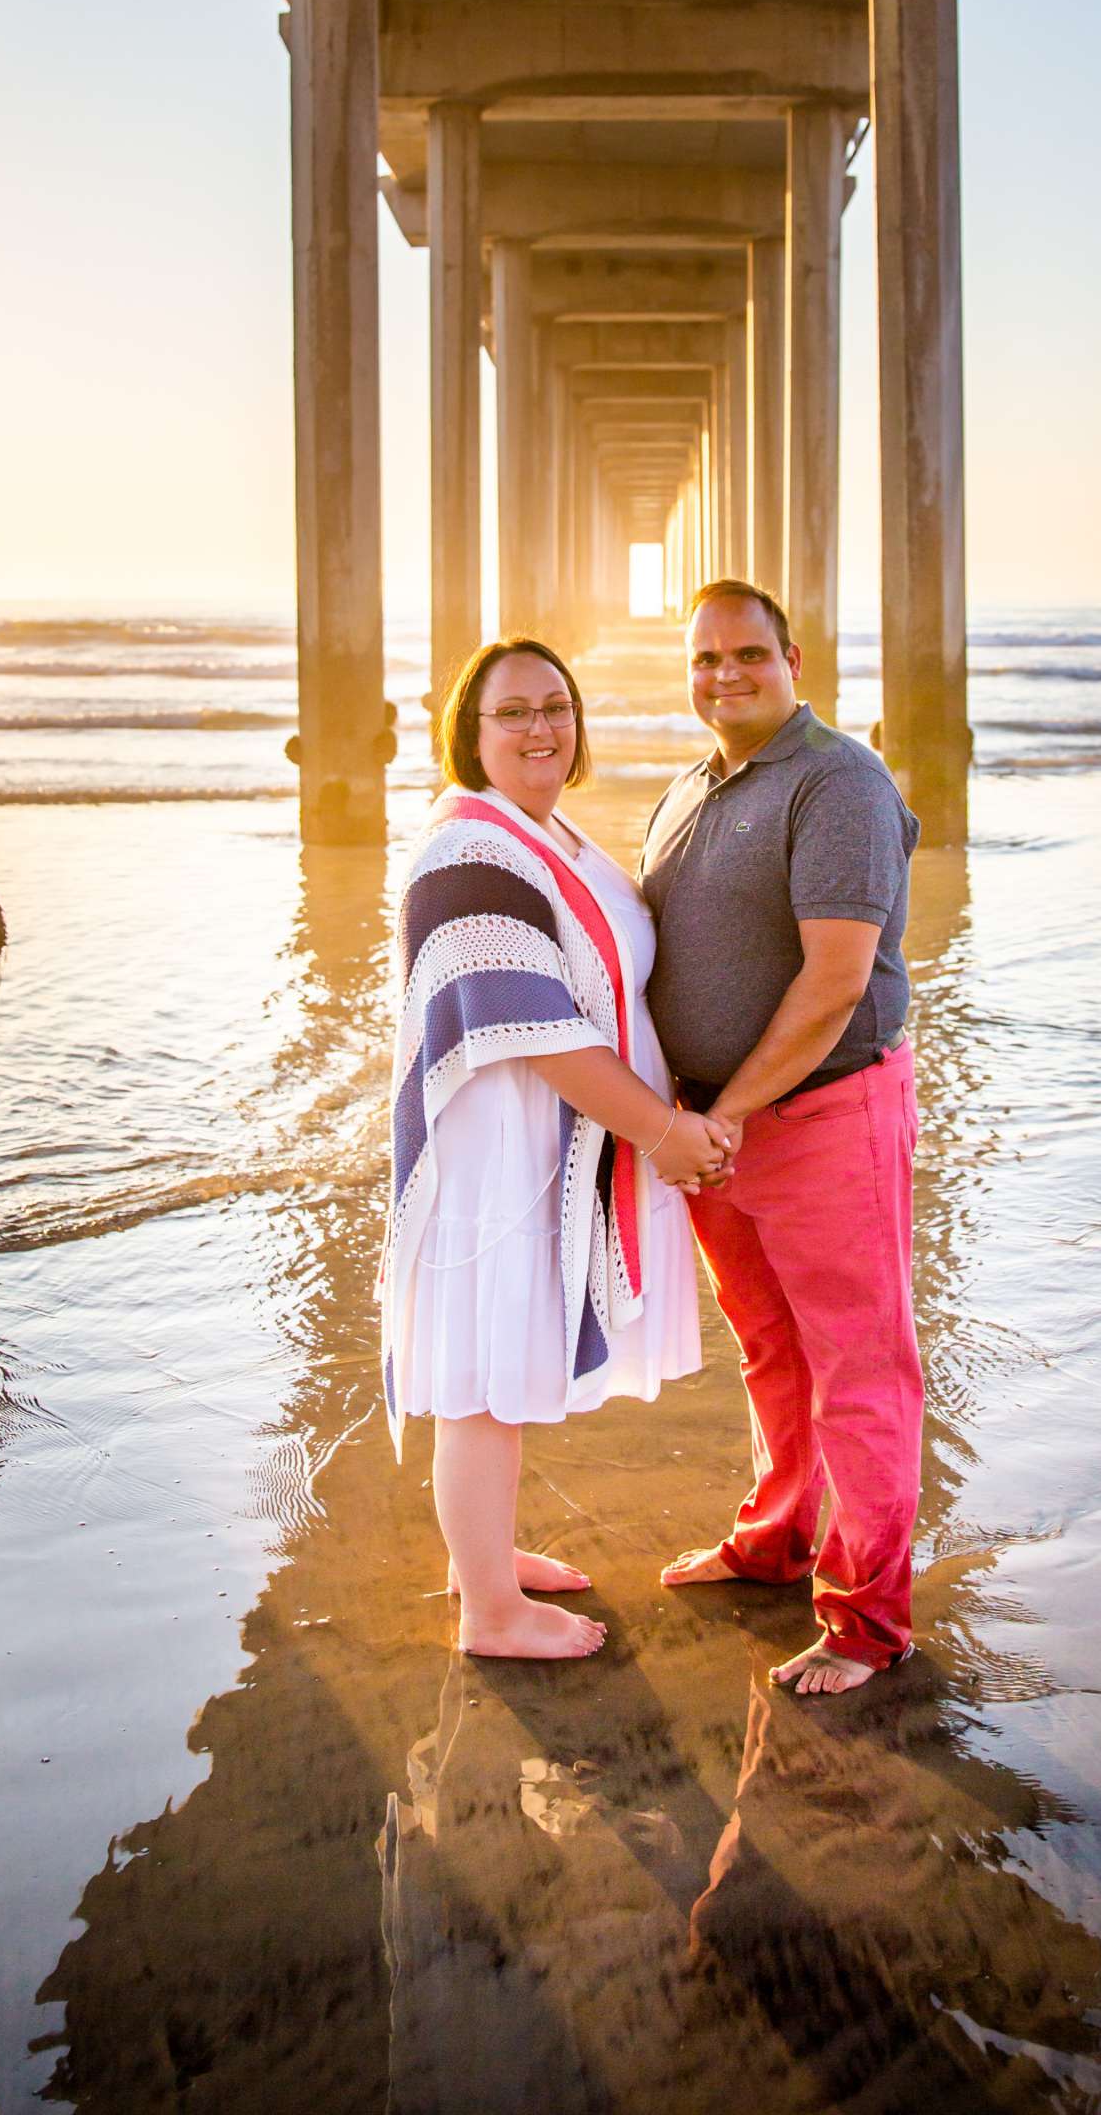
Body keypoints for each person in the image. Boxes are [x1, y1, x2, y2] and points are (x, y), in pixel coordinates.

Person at [380, 636, 732, 1662]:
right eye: (513, 714)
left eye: (554, 707)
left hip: (540, 1148)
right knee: (486, 1374)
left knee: (508, 1355)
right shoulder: (467, 854)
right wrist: (663, 1132)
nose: (540, 727)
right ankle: (490, 1613)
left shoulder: (548, 833)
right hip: (497, 1154)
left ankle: (481, 1554)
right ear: (468, 734)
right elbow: (535, 1028)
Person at [640, 580, 924, 1696]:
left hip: (818, 1116)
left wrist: (721, 1117)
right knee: (771, 1349)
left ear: (793, 660)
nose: (724, 676)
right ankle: (777, 1536)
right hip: (716, 1125)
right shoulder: (691, 786)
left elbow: (832, 983)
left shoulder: (836, 780)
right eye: (705, 659)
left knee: (858, 1366)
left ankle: (865, 1621)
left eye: (747, 655)